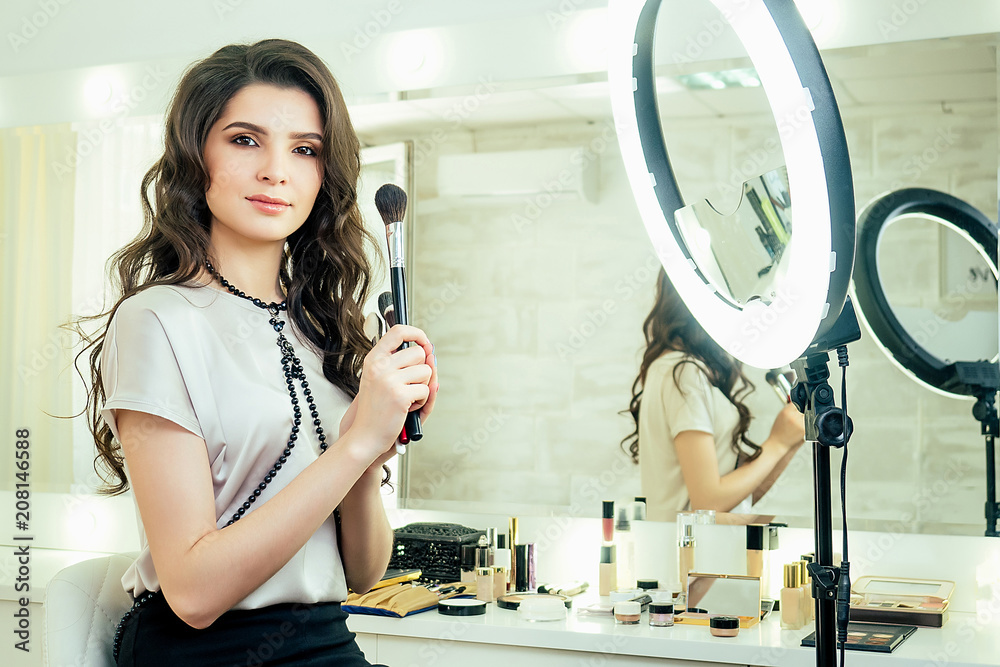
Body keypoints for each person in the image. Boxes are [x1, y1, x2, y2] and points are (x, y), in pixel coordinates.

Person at [76, 39, 436, 666]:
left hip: (327, 641)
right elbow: (192, 593)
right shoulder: (156, 322)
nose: (277, 170)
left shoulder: (320, 329)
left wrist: (370, 444)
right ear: (196, 157)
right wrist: (352, 445)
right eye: (245, 140)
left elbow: (363, 572)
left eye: (305, 149)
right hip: (205, 652)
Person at [622, 269, 804, 522]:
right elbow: (708, 502)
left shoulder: (676, 368)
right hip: (690, 557)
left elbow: (736, 500)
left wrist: (791, 440)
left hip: (697, 554)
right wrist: (777, 443)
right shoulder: (682, 371)